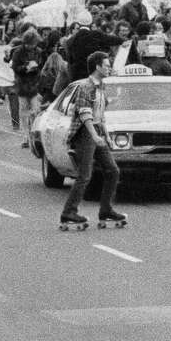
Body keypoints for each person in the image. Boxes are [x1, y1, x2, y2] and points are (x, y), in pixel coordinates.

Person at [60, 51, 125, 230]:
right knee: (85, 175)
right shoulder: (85, 87)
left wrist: (105, 135)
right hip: (85, 133)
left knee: (112, 170)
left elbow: (100, 114)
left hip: (96, 131)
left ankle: (106, 210)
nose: (109, 68)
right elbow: (84, 113)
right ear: (97, 67)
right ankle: (69, 212)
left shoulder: (102, 87)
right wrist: (94, 136)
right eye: (106, 65)